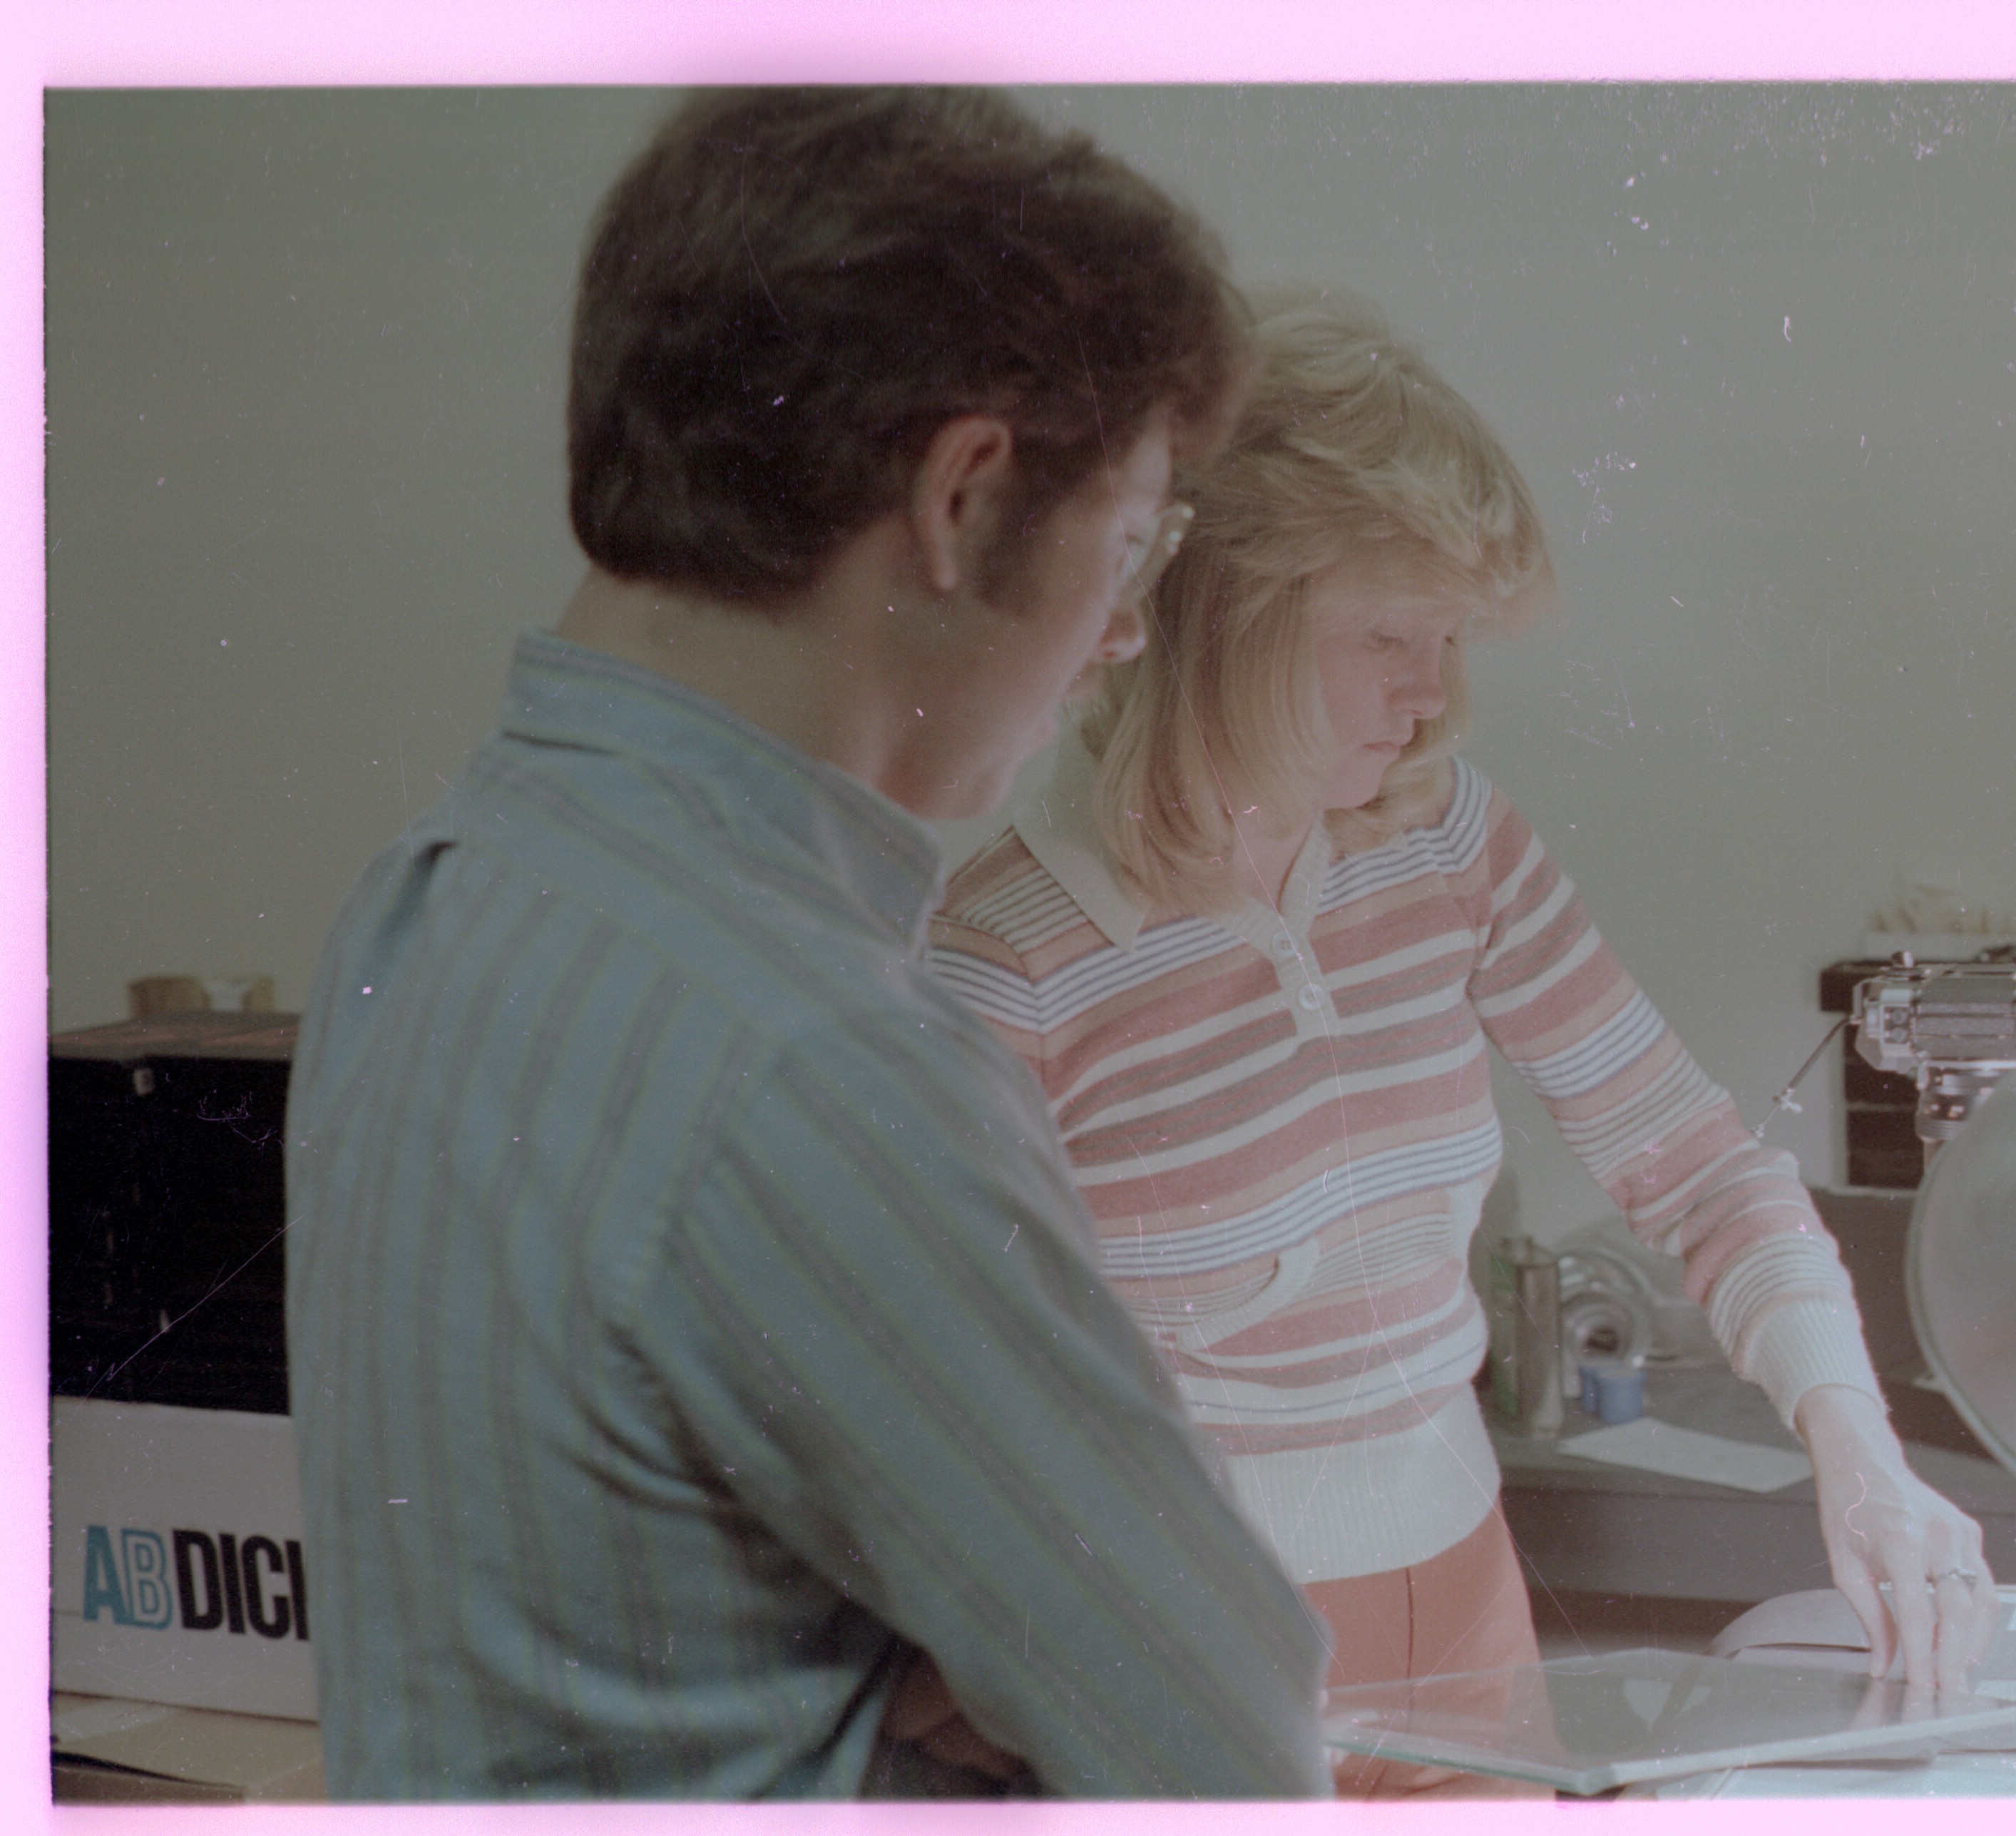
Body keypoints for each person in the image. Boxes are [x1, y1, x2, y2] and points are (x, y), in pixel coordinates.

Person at [283, 88, 1333, 1800]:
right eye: (1132, 542)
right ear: (963, 496)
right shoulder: (820, 1059)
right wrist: (981, 1705)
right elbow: (1226, 1756)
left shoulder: (426, 899)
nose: (1124, 635)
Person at [928, 292, 2000, 1800]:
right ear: (1224, 610)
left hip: (1469, 1602)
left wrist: (1862, 1457)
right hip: (1188, 1646)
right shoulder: (1010, 960)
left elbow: (1705, 1176)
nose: (1434, 694)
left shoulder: (1447, 844)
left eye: (1444, 640)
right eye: (1390, 635)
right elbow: (938, 1415)